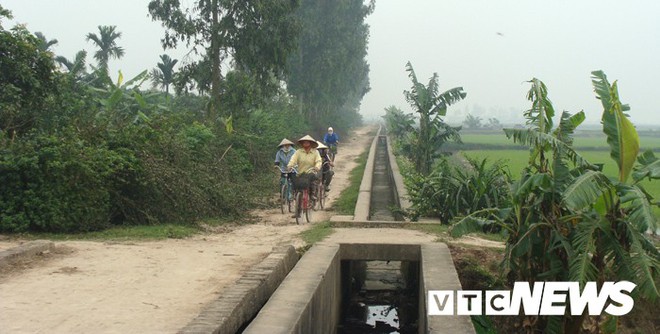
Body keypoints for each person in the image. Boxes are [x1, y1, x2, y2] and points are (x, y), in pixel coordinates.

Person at [287, 135, 322, 214]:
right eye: (304, 142)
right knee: (297, 186)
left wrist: (317, 167)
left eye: (307, 142)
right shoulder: (298, 152)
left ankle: (313, 196)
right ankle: (298, 210)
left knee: (313, 183)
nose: (305, 143)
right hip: (301, 173)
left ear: (310, 143)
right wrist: (290, 166)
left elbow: (319, 161)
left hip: (311, 172)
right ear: (302, 143)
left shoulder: (315, 152)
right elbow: (293, 159)